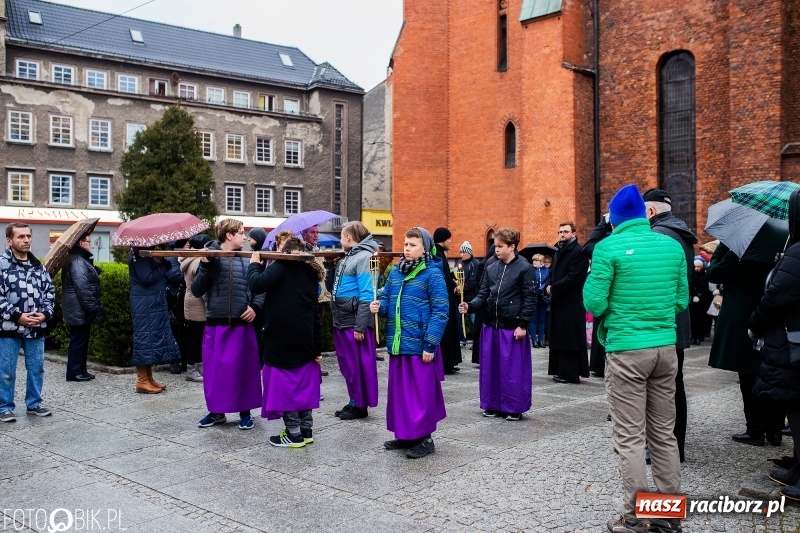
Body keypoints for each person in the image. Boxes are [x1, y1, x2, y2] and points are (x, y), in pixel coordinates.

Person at [583, 184, 688, 533]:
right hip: (665, 349)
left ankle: (637, 516)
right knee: (663, 434)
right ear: (644, 214)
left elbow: (593, 304)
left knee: (630, 437)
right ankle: (669, 514)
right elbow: (681, 302)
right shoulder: (672, 246)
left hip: (627, 349)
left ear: (613, 219)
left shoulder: (607, 248)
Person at [370, 227, 448, 459]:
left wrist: (430, 344)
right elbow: (386, 300)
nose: (407, 248)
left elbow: (441, 311)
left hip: (420, 343)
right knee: (401, 392)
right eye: (405, 244)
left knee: (421, 393)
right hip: (398, 342)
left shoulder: (433, 274)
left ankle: (425, 438)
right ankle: (405, 434)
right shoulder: (396, 273)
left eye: (413, 245)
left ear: (425, 247)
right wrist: (379, 307)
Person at [248, 237, 325, 447]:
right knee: (304, 386)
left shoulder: (281, 265)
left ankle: (293, 434)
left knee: (284, 387)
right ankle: (306, 430)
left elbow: (256, 285)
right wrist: (317, 347)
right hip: (305, 338)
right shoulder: (309, 273)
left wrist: (255, 264)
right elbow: (314, 314)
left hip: (281, 338)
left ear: (285, 252)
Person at [749, 189, 800, 501]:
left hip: (793, 345)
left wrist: (754, 322)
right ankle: (797, 467)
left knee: (797, 409)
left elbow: (777, 295)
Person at [707, 242, 783, 446]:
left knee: (748, 375)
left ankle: (755, 430)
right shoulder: (777, 244)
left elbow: (714, 273)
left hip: (743, 318)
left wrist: (722, 249)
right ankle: (775, 430)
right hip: (770, 315)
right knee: (773, 373)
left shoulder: (740, 248)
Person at [191, 219, 264, 430]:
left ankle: (245, 413)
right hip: (217, 323)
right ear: (229, 235)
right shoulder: (210, 258)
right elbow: (196, 290)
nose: (245, 237)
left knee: (245, 371)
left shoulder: (249, 258)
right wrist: (205, 267)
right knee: (216, 374)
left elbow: (259, 289)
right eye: (241, 233)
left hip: (243, 324)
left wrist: (255, 307)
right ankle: (216, 412)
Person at [643, 187, 697, 464]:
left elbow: (651, 285)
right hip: (676, 321)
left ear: (650, 211)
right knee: (674, 385)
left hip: (661, 323)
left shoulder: (659, 236)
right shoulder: (680, 234)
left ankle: (667, 448)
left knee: (662, 389)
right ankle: (674, 447)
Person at [459, 228, 535, 421]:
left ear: (512, 246)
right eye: (495, 245)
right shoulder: (491, 266)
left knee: (512, 371)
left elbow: (529, 298)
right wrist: (470, 306)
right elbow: (483, 294)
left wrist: (523, 325)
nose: (496, 249)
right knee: (490, 369)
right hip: (491, 325)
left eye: (500, 246)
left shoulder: (525, 268)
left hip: (512, 327)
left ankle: (513, 407)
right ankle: (492, 404)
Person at [0, 223, 55, 422]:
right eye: (20, 237)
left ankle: (34, 403)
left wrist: (45, 314)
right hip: (9, 328)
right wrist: (17, 316)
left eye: (28, 236)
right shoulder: (2, 265)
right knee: (6, 370)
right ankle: (4, 406)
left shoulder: (38, 266)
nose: (26, 240)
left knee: (37, 368)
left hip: (35, 328)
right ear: (9, 240)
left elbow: (50, 292)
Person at [330, 221, 380, 420]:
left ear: (349, 237)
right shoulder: (348, 257)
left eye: (342, 236)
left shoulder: (364, 257)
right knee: (348, 365)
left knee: (357, 366)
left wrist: (360, 325)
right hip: (343, 320)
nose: (341, 240)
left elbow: (368, 294)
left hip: (353, 322)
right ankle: (353, 400)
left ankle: (359, 405)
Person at [129, 245, 182, 394]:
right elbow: (147, 277)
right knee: (144, 339)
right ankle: (142, 380)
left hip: (149, 301)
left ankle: (148, 377)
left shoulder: (143, 252)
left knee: (149, 340)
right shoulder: (140, 253)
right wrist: (164, 266)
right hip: (144, 302)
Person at [547, 222, 590, 384]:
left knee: (570, 337)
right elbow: (552, 273)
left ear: (573, 233)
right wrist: (548, 286)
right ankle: (560, 370)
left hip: (571, 302)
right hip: (559, 301)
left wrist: (554, 288)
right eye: (560, 231)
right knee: (559, 335)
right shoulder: (558, 251)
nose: (562, 234)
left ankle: (571, 373)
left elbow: (574, 277)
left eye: (565, 231)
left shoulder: (579, 252)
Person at [61, 232, 106, 382]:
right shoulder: (77, 261)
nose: (90, 243)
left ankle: (80, 370)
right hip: (79, 308)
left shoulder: (78, 259)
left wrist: (94, 271)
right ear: (81, 243)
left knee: (81, 339)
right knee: (78, 340)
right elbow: (83, 288)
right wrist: (91, 308)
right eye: (87, 241)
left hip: (78, 308)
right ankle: (74, 372)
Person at [179, 234, 212, 383]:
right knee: (196, 338)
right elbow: (202, 285)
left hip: (190, 300)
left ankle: (197, 367)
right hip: (198, 302)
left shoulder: (189, 258)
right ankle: (192, 369)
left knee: (194, 336)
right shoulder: (198, 261)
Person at [432, 227, 463, 374]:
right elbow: (443, 278)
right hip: (444, 299)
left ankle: (449, 362)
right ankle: (446, 363)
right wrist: (455, 284)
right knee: (447, 330)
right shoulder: (437, 254)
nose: (450, 241)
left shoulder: (439, 254)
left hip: (446, 297)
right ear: (442, 239)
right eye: (448, 238)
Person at [302, 225, 332, 377]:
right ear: (304, 234)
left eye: (317, 232)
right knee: (311, 330)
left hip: (321, 296)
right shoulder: (302, 251)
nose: (316, 235)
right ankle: (311, 364)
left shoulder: (318, 249)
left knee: (318, 329)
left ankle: (317, 363)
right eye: (312, 232)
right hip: (309, 296)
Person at [471, 244, 497, 364]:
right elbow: (482, 284)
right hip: (484, 301)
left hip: (485, 301)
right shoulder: (487, 263)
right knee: (481, 331)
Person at [455, 241, 478, 347]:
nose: (462, 254)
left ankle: (475, 341)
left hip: (472, 296)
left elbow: (474, 280)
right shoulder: (458, 263)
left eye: (464, 252)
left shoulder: (475, 263)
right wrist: (456, 286)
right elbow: (454, 275)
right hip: (460, 297)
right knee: (459, 319)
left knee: (474, 320)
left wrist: (463, 287)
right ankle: (461, 339)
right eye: (461, 252)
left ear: (469, 252)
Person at [529, 254, 550, 349]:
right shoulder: (530, 270)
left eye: (537, 260)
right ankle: (534, 340)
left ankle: (541, 340)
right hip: (533, 297)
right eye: (534, 260)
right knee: (533, 319)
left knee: (542, 320)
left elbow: (548, 281)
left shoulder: (547, 270)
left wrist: (542, 288)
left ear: (541, 262)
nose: (534, 262)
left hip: (543, 297)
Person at [689, 260, 712, 345]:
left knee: (700, 320)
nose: (697, 268)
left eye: (699, 267)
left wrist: (700, 295)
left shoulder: (704, 276)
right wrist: (694, 294)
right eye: (696, 267)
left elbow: (706, 289)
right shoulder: (692, 276)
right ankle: (693, 337)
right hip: (693, 302)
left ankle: (698, 337)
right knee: (693, 320)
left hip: (702, 302)